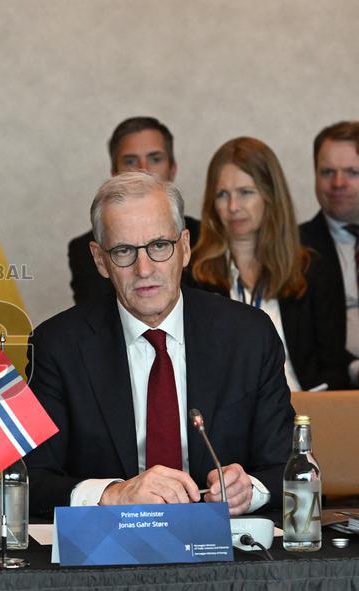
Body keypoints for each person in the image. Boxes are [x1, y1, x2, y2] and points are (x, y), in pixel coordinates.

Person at [28, 172, 293, 517]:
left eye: (159, 246)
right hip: (108, 554)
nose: (144, 268)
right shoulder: (57, 346)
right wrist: (114, 494)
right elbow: (29, 478)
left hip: (224, 553)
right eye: (124, 250)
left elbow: (289, 467)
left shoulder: (248, 336)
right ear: (99, 259)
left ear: (184, 247)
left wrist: (250, 491)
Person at [187, 137, 348, 391]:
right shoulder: (194, 276)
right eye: (222, 194)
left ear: (270, 195)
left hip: (304, 413)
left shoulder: (313, 268)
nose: (233, 207)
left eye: (245, 192)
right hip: (231, 419)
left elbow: (334, 366)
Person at [68, 117, 201, 304]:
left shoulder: (207, 238)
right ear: (114, 172)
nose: (143, 170)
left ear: (172, 169)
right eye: (130, 161)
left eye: (155, 159)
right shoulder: (83, 250)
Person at [299, 121, 359, 388]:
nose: (338, 183)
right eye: (327, 172)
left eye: (351, 172)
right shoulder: (294, 249)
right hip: (330, 391)